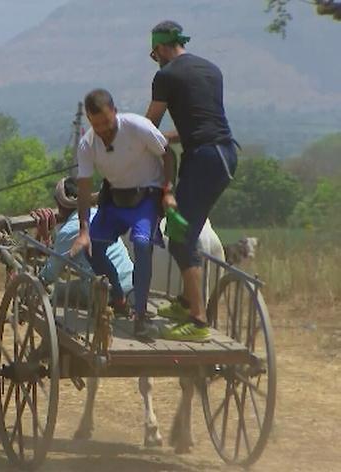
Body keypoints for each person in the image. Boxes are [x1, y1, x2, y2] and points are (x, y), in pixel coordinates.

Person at [145, 21, 238, 342]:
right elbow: (197, 125)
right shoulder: (211, 70)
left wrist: (127, 144)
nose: (155, 57)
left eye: (153, 52)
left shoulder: (166, 75)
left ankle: (198, 320)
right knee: (190, 229)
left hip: (203, 160)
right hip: (225, 155)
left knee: (179, 235)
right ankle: (187, 302)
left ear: (159, 48)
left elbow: (149, 126)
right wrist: (167, 139)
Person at [70, 88, 176, 338]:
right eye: (96, 125)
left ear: (115, 113)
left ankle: (140, 316)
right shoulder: (88, 144)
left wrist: (168, 190)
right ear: (89, 121)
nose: (103, 130)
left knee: (141, 243)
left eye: (106, 123)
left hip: (146, 198)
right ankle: (118, 297)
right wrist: (84, 231)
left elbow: (168, 155)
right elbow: (84, 190)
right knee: (91, 247)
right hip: (115, 199)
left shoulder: (138, 127)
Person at [38, 178, 134, 310]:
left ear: (60, 204)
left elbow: (50, 273)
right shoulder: (100, 215)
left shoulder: (68, 231)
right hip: (131, 282)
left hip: (105, 294)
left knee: (58, 290)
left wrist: (39, 278)